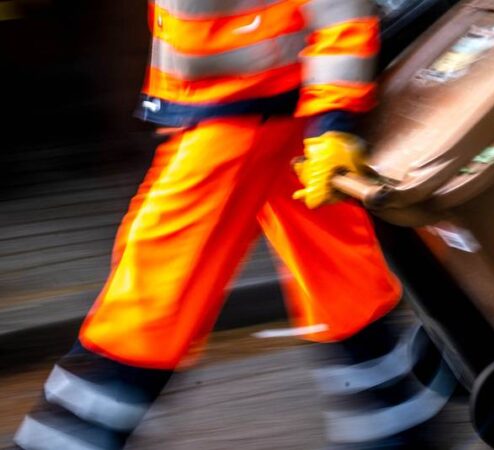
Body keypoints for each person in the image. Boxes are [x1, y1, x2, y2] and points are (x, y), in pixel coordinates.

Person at [13, 1, 453, 448]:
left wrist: (333, 121)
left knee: (161, 275)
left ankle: (65, 438)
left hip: (249, 104)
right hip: (245, 98)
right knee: (333, 267)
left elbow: (339, 9)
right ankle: (397, 422)